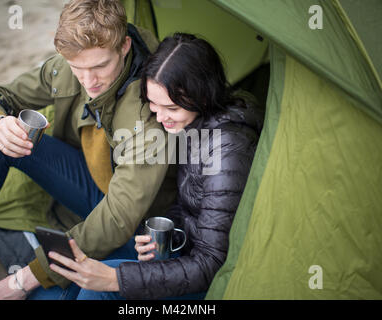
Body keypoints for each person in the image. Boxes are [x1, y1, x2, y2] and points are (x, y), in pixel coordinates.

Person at [0, 0, 178, 299]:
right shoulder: (68, 67)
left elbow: (119, 219)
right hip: (94, 181)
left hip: (138, 226)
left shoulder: (148, 111)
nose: (89, 81)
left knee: (60, 292)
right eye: (78, 67)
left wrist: (27, 277)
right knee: (1, 141)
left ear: (124, 46)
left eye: (100, 66)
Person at [45, 33, 264, 299]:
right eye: (152, 104)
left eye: (170, 107)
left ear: (202, 96)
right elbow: (191, 205)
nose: (159, 117)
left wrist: (117, 279)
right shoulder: (190, 124)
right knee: (82, 269)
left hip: (213, 283)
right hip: (181, 255)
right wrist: (165, 231)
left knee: (97, 289)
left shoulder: (225, 151)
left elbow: (212, 263)